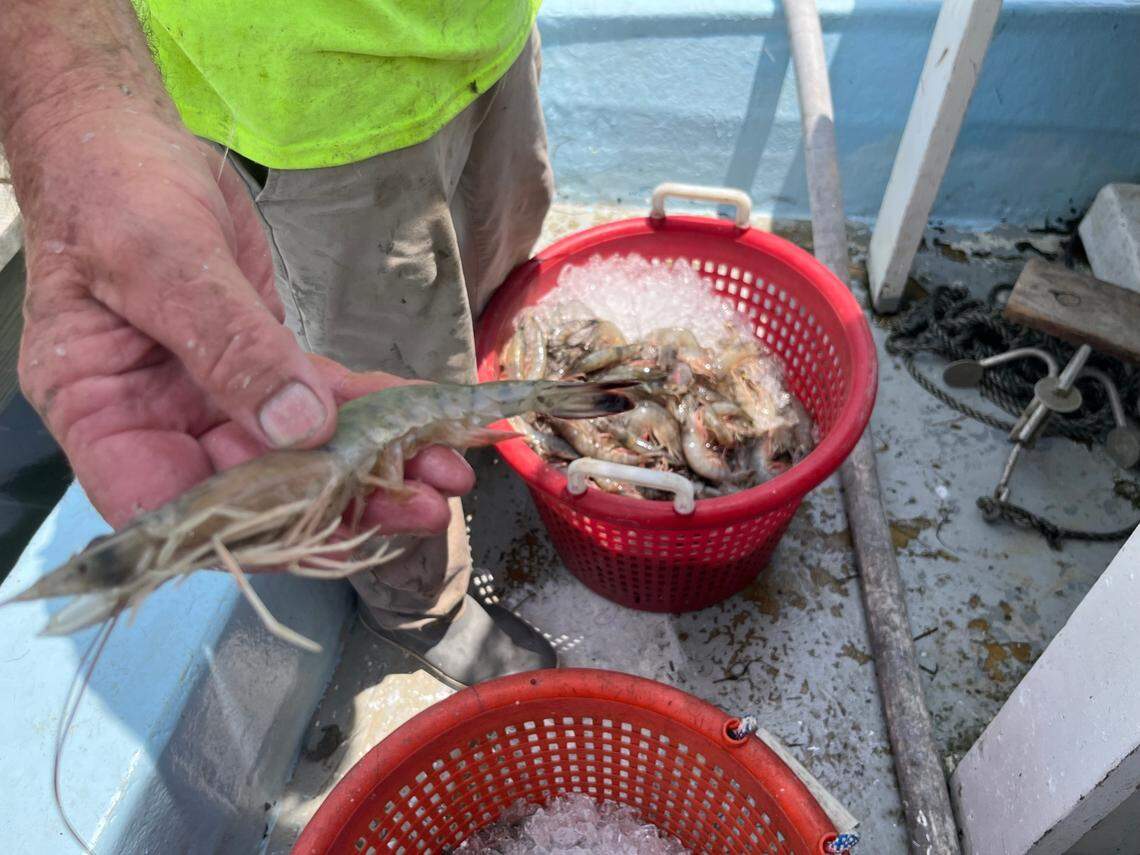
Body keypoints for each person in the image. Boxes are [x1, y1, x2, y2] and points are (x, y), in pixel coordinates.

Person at [0, 1, 557, 688]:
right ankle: (422, 610)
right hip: (314, 108)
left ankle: (479, 431)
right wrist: (65, 109)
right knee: (390, 371)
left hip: (488, 37)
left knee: (490, 286)